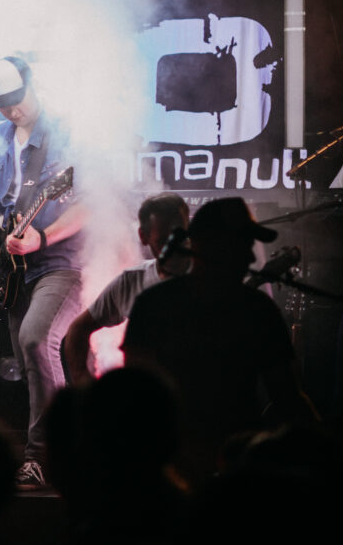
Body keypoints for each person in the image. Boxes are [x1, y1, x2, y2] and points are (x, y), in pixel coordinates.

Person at [122, 197, 316, 488]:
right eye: (240, 246)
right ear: (206, 246)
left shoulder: (257, 309)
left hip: (229, 468)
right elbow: (136, 395)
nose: (249, 257)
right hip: (178, 469)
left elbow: (287, 396)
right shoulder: (154, 306)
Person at [0, 56, 87, 489]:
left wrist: (45, 237)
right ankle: (79, 443)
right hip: (15, 270)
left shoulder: (66, 132)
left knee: (37, 340)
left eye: (16, 99)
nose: (11, 110)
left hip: (62, 262)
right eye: (2, 104)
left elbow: (91, 201)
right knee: (31, 362)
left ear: (31, 85)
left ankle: (42, 455)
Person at [63, 192, 189, 386]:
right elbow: (77, 330)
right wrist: (84, 382)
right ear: (143, 236)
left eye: (179, 237)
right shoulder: (132, 281)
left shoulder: (210, 275)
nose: (174, 248)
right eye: (163, 241)